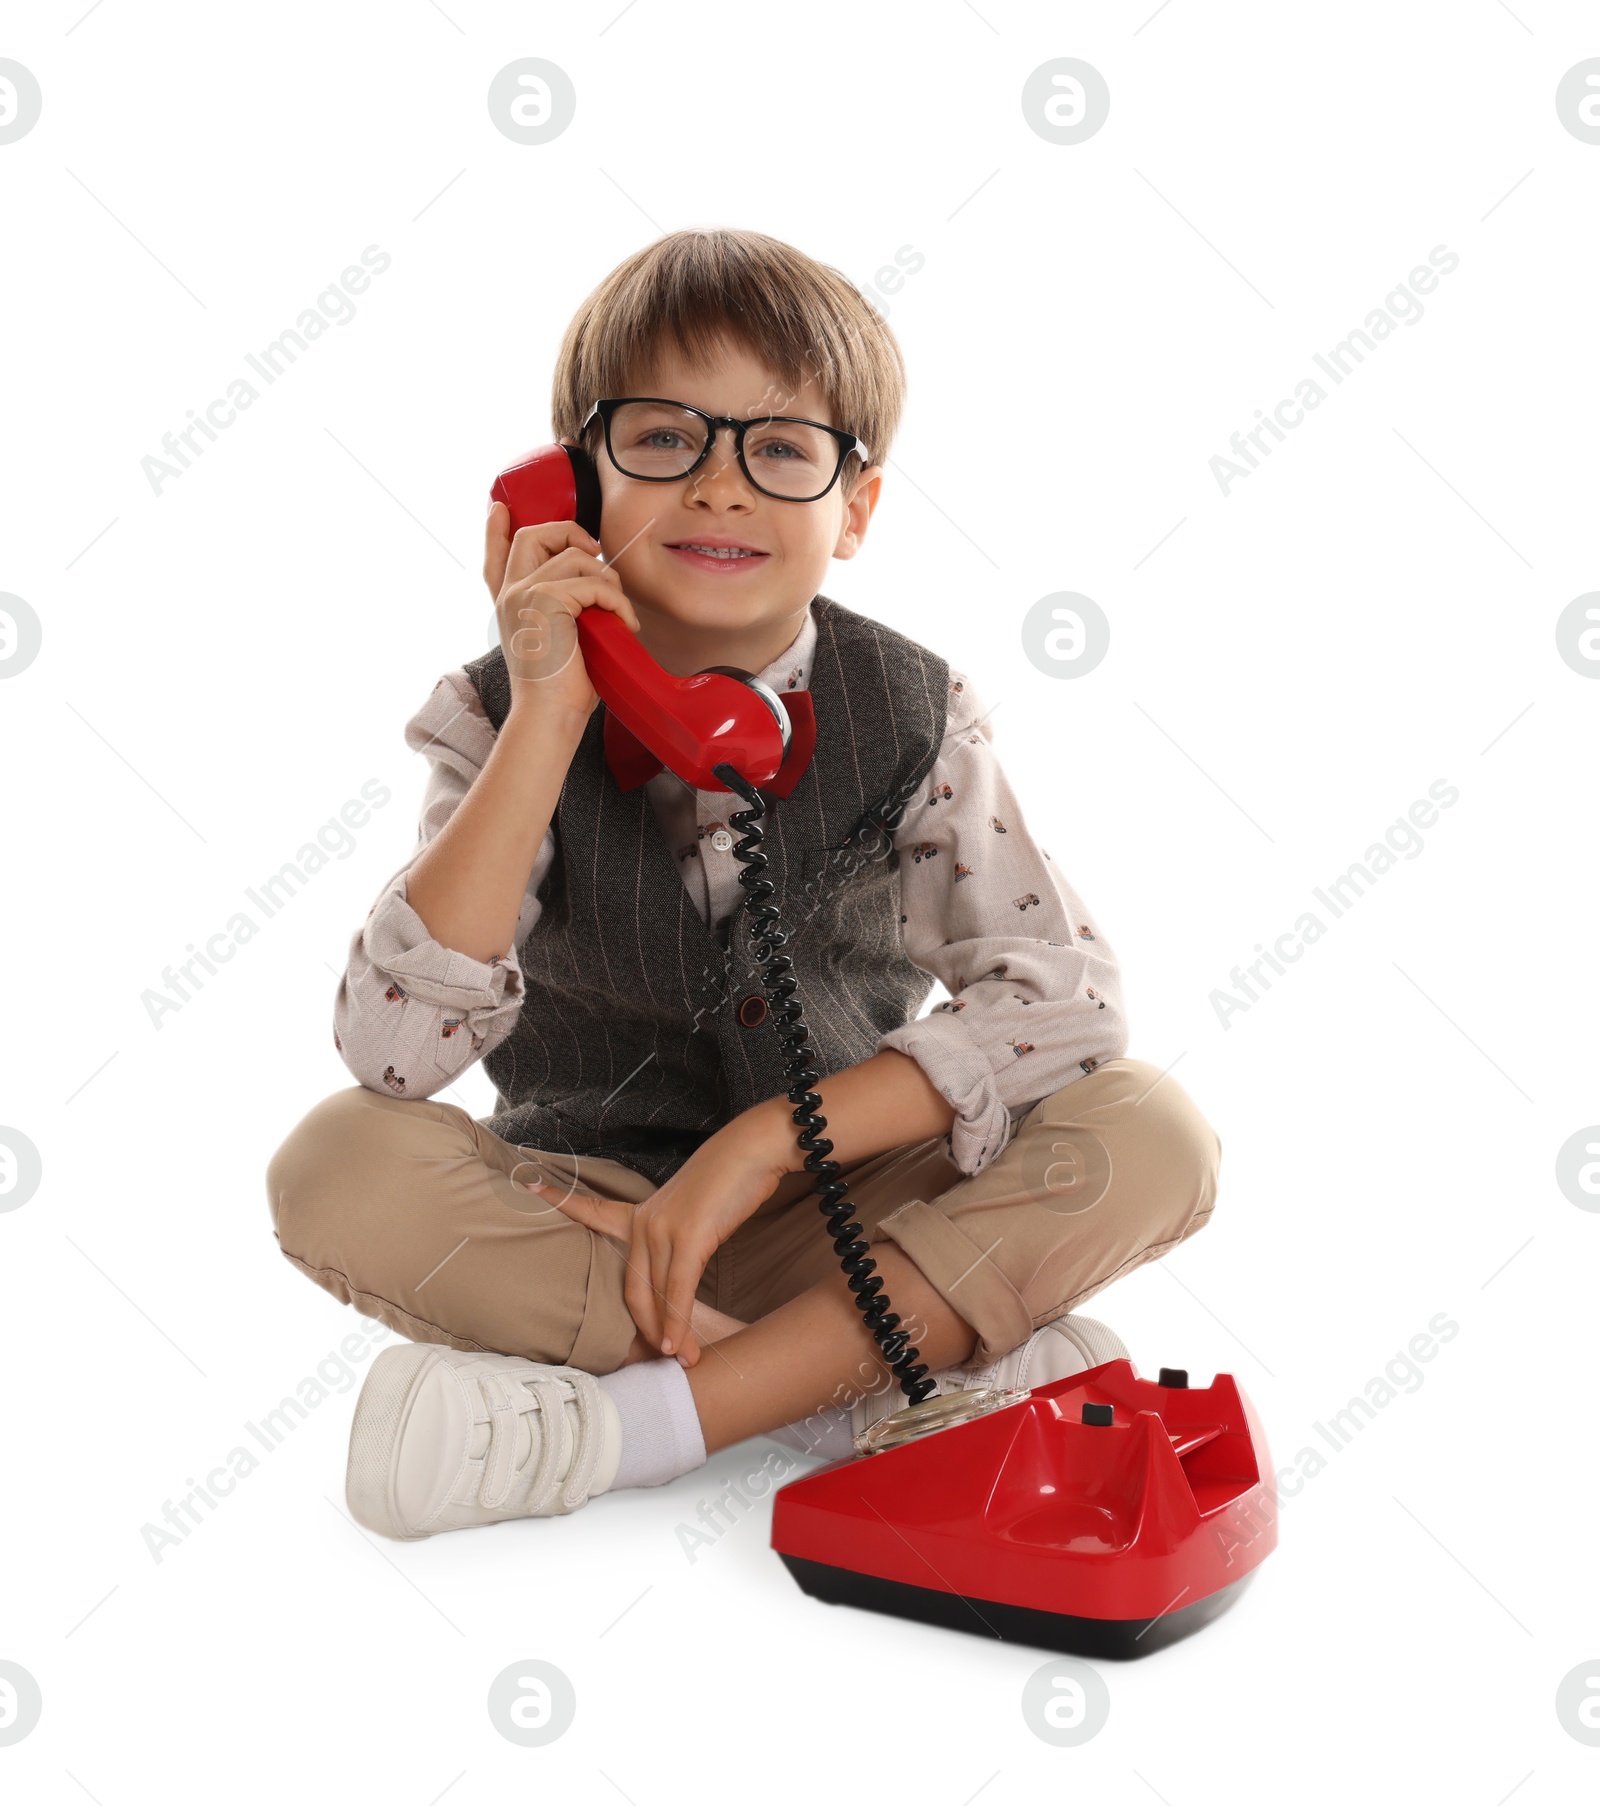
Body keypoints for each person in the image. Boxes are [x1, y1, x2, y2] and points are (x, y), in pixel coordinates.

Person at [265, 227, 1222, 1542]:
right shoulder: (494, 722)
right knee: (333, 1165)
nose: (721, 487)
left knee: (1151, 1130)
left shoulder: (911, 713)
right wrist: (549, 717)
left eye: (780, 449)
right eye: (664, 438)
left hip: (839, 1201)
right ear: (571, 486)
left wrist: (764, 1139)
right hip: (594, 1228)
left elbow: (1061, 1008)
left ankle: (640, 1423)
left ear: (859, 506)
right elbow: (387, 1052)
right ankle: (875, 1377)